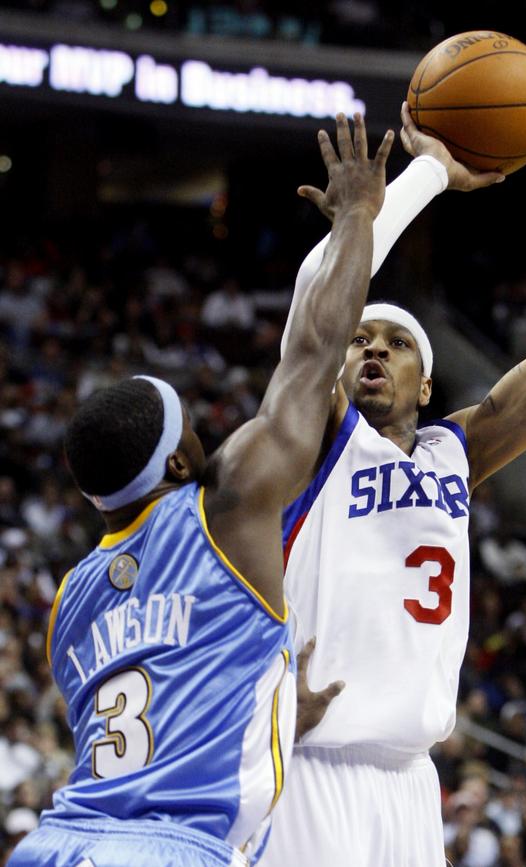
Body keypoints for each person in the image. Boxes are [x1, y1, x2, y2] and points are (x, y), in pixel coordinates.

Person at [8, 113, 394, 867]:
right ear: (180, 466)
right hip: (169, 851)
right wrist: (357, 215)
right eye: (192, 432)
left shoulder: (70, 602)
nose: (207, 438)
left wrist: (280, 714)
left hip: (55, 843)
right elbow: (316, 354)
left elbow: (157, 703)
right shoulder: (227, 505)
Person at [261, 57, 526, 867]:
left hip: (413, 781)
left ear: (427, 382)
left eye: (394, 342)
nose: (371, 349)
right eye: (359, 341)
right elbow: (316, 314)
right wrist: (424, 177)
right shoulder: (317, 438)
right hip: (312, 764)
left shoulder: (458, 448)